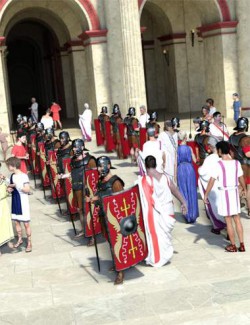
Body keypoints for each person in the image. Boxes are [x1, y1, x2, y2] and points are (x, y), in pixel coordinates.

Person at [138, 155, 187, 267]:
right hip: (169, 210)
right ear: (155, 165)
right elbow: (175, 190)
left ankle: (158, 257)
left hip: (156, 211)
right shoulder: (165, 177)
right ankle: (164, 255)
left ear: (145, 166)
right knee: (165, 235)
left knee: (157, 235)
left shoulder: (145, 180)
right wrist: (183, 202)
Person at [86, 156, 125, 284]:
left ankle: (120, 272)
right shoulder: (101, 181)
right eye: (98, 166)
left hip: (113, 219)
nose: (99, 168)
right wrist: (92, 199)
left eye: (101, 166)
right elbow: (100, 194)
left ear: (108, 166)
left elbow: (119, 201)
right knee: (110, 242)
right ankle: (116, 263)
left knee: (116, 244)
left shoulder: (115, 182)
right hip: (103, 216)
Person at [204, 141, 246, 252]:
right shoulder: (236, 163)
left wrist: (206, 194)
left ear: (220, 150)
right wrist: (245, 189)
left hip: (225, 193)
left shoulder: (219, 164)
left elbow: (211, 181)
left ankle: (233, 245)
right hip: (235, 191)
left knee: (228, 220)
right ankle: (242, 244)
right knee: (237, 219)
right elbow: (241, 178)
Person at [60, 139, 96, 243]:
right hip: (76, 188)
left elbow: (94, 176)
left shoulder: (90, 160)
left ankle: (92, 235)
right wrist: (64, 176)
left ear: (82, 147)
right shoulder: (73, 161)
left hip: (86, 189)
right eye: (74, 148)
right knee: (80, 210)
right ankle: (85, 229)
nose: (75, 149)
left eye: (77, 147)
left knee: (88, 211)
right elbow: (73, 173)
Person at [198, 136, 226, 234]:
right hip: (223, 186)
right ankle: (228, 228)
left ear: (210, 146)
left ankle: (217, 227)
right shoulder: (223, 158)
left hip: (212, 187)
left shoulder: (209, 159)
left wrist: (199, 169)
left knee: (214, 206)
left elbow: (203, 173)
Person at [6, 157, 32, 253]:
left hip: (23, 201)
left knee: (26, 223)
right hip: (15, 200)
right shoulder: (12, 175)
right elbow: (11, 187)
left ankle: (29, 243)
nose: (8, 167)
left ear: (13, 165)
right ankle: (20, 239)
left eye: (8, 165)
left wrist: (17, 185)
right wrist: (9, 189)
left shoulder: (24, 176)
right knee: (16, 222)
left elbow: (27, 189)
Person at [177, 130, 199, 223]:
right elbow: (195, 160)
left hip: (181, 169)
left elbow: (175, 163)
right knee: (191, 190)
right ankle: (192, 214)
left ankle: (186, 214)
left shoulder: (177, 149)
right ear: (186, 138)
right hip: (190, 169)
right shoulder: (189, 148)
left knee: (183, 191)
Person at [0, 163, 14, 256]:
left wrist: (8, 190)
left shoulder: (2, 178)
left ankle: (7, 241)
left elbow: (9, 186)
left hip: (4, 203)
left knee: (6, 223)